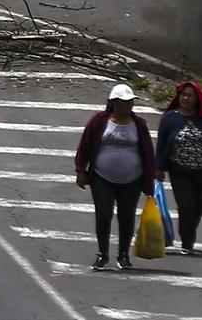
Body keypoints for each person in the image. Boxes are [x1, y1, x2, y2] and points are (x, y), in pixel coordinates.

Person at [74, 83, 157, 272]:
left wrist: (149, 180)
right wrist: (81, 170)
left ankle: (123, 254)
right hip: (102, 178)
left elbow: (147, 153)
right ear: (113, 103)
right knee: (103, 213)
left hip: (132, 179)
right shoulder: (99, 121)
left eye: (130, 102)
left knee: (127, 216)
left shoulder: (139, 125)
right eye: (124, 102)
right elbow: (85, 145)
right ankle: (103, 254)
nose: (129, 106)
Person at [156, 80, 202, 254]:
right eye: (183, 95)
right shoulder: (170, 118)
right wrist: (158, 167)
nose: (186, 98)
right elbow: (161, 144)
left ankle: (188, 231)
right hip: (179, 170)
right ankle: (187, 242)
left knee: (200, 207)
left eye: (190, 96)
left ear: (197, 99)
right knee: (186, 206)